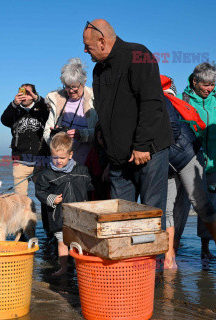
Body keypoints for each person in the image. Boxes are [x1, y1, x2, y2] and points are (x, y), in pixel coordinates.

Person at [83, 20, 173, 216]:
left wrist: (142, 145)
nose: (85, 51)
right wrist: (109, 155)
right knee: (120, 218)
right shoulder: (98, 70)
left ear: (102, 41)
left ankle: (154, 248)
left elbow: (152, 102)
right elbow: (105, 113)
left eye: (87, 46)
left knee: (151, 215)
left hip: (148, 152)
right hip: (118, 161)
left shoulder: (138, 55)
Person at [161, 75, 216, 273]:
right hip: (166, 162)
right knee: (168, 209)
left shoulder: (166, 102)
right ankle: (169, 256)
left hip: (188, 156)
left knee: (201, 203)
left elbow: (173, 132)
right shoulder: (151, 101)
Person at [177, 62, 216, 260]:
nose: (209, 88)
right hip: (190, 160)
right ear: (195, 81)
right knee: (182, 205)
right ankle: (173, 245)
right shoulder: (184, 99)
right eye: (206, 84)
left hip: (214, 162)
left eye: (212, 83)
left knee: (210, 206)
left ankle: (206, 247)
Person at [35, 132, 93, 276]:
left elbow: (91, 187)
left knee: (80, 243)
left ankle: (82, 268)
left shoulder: (82, 171)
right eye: (55, 157)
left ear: (70, 155)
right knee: (62, 243)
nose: (58, 161)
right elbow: (39, 192)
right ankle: (64, 268)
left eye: (62, 158)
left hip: (79, 216)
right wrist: (50, 198)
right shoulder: (46, 175)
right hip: (59, 217)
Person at [44, 57, 98, 165]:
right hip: (62, 163)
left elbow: (101, 133)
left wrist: (82, 135)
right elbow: (46, 133)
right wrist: (55, 138)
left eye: (74, 87)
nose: (71, 91)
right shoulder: (57, 100)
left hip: (88, 161)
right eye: (67, 87)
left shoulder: (95, 99)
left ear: (83, 83)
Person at [1, 84, 49, 196]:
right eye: (22, 92)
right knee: (19, 199)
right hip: (20, 162)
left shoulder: (41, 111)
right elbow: (4, 120)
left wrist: (37, 99)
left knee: (44, 195)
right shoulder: (14, 111)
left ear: (33, 95)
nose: (25, 96)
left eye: (28, 93)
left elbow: (48, 113)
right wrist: (14, 104)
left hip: (40, 161)